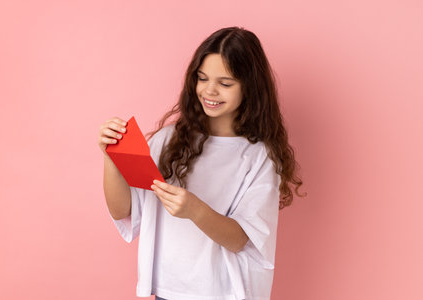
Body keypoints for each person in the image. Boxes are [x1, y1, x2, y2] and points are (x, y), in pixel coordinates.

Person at [98, 26, 305, 300]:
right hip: (166, 290)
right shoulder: (167, 140)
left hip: (223, 294)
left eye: (225, 83)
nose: (209, 90)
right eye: (202, 78)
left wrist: (194, 209)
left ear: (250, 88)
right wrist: (112, 157)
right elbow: (121, 209)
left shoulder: (259, 158)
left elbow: (241, 239)